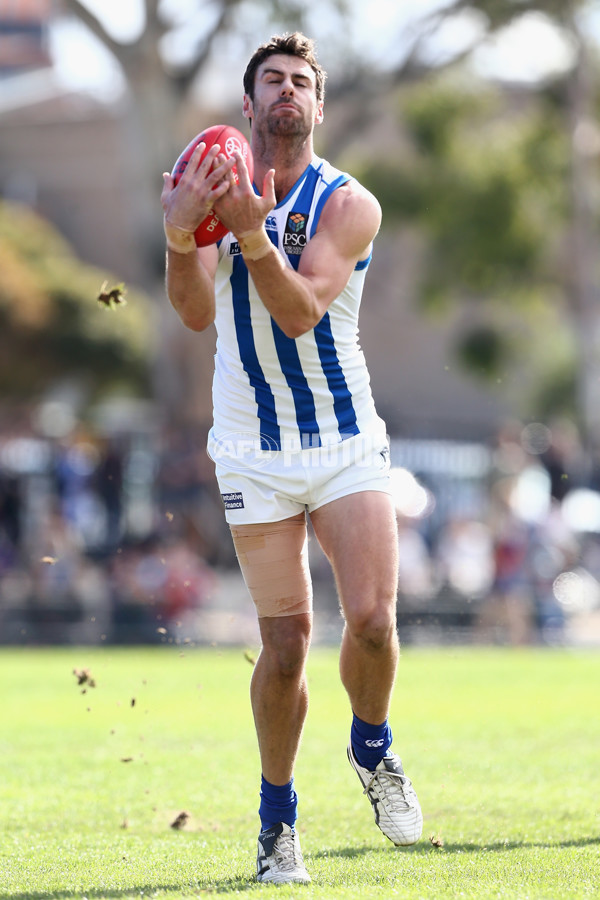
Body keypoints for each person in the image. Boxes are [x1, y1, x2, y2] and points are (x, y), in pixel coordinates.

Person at [161, 32, 422, 885]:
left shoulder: (350, 203)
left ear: (316, 104)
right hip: (250, 450)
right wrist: (177, 239)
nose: (285, 92)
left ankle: (372, 749)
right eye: (270, 80)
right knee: (284, 649)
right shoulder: (213, 191)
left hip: (344, 438)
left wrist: (253, 236)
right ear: (248, 104)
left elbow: (303, 310)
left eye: (300, 82)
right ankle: (279, 823)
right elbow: (197, 313)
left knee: (375, 623)